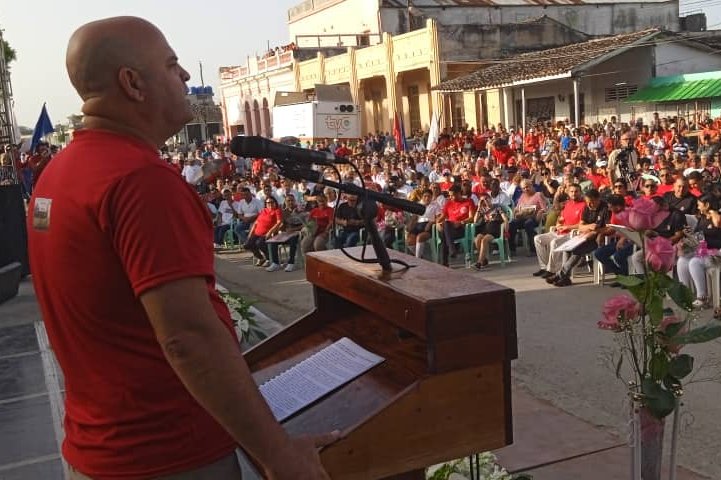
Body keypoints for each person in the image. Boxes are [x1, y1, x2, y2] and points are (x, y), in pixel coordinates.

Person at [27, 16, 335, 480]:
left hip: (100, 446)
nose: (188, 78)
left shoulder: (60, 171)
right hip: (167, 454)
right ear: (132, 83)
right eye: (172, 66)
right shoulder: (139, 181)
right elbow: (188, 338)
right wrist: (279, 455)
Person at [245, 196, 284, 267]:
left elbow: (279, 222)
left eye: (272, 202)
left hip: (267, 234)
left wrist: (270, 232)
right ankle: (261, 258)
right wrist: (250, 234)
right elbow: (256, 223)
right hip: (257, 233)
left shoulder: (277, 210)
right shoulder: (264, 211)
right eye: (268, 202)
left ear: (275, 203)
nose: (270, 204)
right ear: (265, 204)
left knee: (259, 243)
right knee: (247, 244)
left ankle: (269, 258)